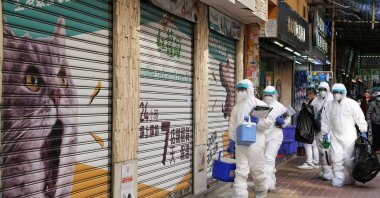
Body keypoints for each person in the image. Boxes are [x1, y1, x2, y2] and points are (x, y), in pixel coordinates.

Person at [227, 79, 272, 198]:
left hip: (255, 143)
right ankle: (239, 194)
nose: (241, 92)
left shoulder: (260, 105)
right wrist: (231, 140)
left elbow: (268, 123)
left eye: (244, 89)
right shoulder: (237, 107)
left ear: (250, 90)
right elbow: (232, 124)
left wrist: (258, 122)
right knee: (240, 171)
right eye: (239, 89)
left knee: (258, 169)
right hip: (240, 144)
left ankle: (261, 191)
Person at [321, 83, 368, 187]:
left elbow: (359, 117)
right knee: (335, 157)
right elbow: (325, 120)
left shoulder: (352, 104)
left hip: (349, 135)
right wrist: (324, 133)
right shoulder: (329, 105)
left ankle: (352, 176)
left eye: (339, 92)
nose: (336, 94)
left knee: (349, 158)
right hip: (335, 135)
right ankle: (338, 177)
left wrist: (363, 130)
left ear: (344, 93)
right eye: (334, 92)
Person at [262, 86, 291, 191]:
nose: (268, 97)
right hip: (261, 136)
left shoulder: (280, 107)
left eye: (270, 95)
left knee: (269, 158)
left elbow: (288, 118)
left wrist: (282, 123)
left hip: (275, 136)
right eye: (266, 95)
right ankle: (268, 181)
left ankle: (268, 183)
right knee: (262, 160)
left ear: (274, 95)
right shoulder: (259, 106)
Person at [311, 82, 334, 180]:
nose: (322, 92)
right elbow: (312, 112)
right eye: (320, 89)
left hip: (328, 131)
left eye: (324, 89)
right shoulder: (315, 100)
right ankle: (325, 169)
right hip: (318, 130)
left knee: (326, 149)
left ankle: (328, 171)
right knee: (321, 150)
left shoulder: (332, 99)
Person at [298, 87, 319, 170]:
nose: (307, 96)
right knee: (313, 144)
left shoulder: (315, 102)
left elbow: (312, 113)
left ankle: (309, 162)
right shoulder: (315, 101)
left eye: (308, 94)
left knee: (307, 143)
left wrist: (306, 106)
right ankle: (315, 162)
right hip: (312, 125)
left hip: (309, 125)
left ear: (312, 94)